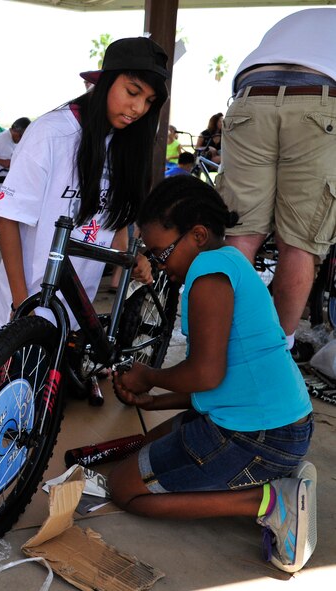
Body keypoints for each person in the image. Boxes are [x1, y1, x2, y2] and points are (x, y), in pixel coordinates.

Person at [111, 175, 316, 574]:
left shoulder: (206, 276)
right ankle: (273, 473)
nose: (158, 264)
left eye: (160, 252)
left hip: (257, 436)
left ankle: (270, 500)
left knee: (123, 489)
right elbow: (224, 381)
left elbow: (205, 373)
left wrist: (150, 376)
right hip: (283, 423)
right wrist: (152, 402)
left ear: (198, 235)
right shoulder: (232, 261)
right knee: (147, 443)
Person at [0, 37, 170, 332]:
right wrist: (21, 306)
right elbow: (8, 218)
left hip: (77, 312)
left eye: (149, 101)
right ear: (106, 81)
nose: (138, 108)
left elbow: (112, 215)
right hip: (25, 305)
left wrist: (130, 256)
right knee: (17, 377)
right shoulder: (51, 133)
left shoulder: (125, 142)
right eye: (133, 92)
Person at [215, 8, 336, 362]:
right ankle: (271, 358)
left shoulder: (299, 18)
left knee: (240, 236)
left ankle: (217, 346)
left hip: (251, 96)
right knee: (299, 245)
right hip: (321, 99)